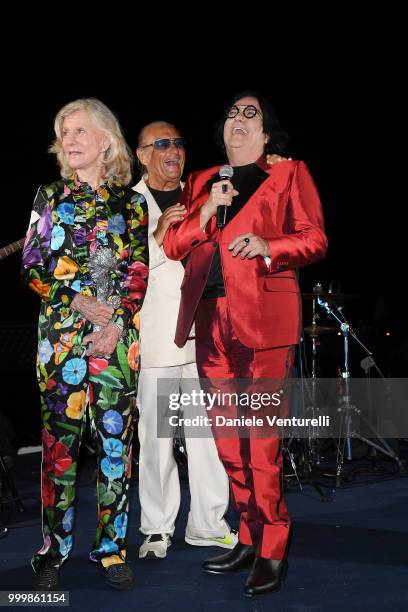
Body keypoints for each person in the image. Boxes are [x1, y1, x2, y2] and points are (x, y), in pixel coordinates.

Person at [163, 91, 327, 596]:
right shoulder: (200, 181)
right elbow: (173, 246)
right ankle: (250, 534)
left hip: (264, 318)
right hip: (210, 320)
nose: (238, 119)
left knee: (260, 442)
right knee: (229, 443)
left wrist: (269, 246)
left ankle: (274, 545)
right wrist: (208, 205)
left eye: (250, 113)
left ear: (266, 132)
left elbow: (315, 238)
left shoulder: (288, 172)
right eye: (232, 113)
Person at [22, 98, 149, 591]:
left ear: (106, 141)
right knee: (59, 449)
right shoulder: (49, 196)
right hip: (59, 341)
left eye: (79, 131)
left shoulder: (132, 203)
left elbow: (137, 272)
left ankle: (112, 549)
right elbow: (32, 265)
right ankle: (52, 551)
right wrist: (77, 301)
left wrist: (116, 321)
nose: (69, 140)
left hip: (118, 340)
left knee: (116, 447)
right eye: (64, 133)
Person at [133, 121, 235, 560]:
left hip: (205, 335)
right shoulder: (127, 203)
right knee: (156, 442)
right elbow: (122, 272)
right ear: (141, 155)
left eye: (178, 141)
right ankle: (157, 528)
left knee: (206, 436)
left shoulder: (199, 195)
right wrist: (158, 241)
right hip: (157, 337)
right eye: (161, 143)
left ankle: (208, 525)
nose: (172, 149)